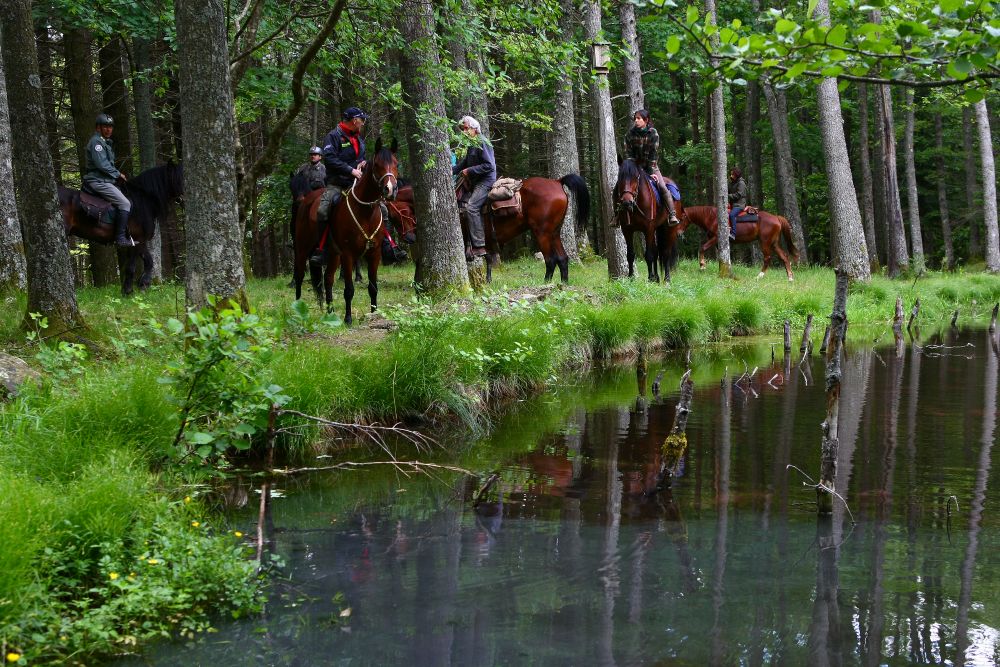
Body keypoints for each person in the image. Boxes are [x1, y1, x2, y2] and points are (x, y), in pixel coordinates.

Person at [313, 107, 368, 265]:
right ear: (354, 120)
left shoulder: (358, 138)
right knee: (323, 210)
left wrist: (363, 163)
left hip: (356, 184)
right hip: (337, 183)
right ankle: (321, 249)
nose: (363, 123)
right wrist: (350, 170)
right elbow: (329, 159)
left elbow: (361, 157)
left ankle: (386, 245)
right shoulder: (333, 136)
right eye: (361, 119)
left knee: (382, 207)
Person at [83, 113, 134, 246]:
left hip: (105, 180)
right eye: (105, 126)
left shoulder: (105, 142)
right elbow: (102, 164)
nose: (108, 129)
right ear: (98, 128)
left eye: (110, 126)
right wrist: (118, 174)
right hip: (98, 181)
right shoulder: (96, 142)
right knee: (125, 204)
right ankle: (120, 238)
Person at [623, 109, 679, 226]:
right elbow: (628, 154)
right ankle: (617, 216)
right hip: (634, 166)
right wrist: (632, 168)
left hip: (651, 165)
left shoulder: (653, 133)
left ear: (646, 120)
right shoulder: (629, 134)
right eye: (635, 119)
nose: (636, 121)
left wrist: (649, 172)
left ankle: (672, 214)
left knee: (662, 186)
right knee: (622, 185)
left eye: (639, 118)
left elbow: (653, 154)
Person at [452, 115, 496, 260]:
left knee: (471, 207)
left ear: (474, 128)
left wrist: (469, 171)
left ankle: (479, 245)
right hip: (476, 182)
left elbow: (489, 166)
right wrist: (450, 170)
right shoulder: (472, 143)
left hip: (485, 181)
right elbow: (464, 164)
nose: (463, 132)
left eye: (465, 128)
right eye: (462, 129)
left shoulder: (482, 142)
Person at [728, 167, 747, 241]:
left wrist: (728, 195)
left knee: (732, 215)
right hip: (733, 204)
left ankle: (733, 234)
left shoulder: (741, 183)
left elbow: (738, 195)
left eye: (733, 174)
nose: (731, 175)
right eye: (731, 174)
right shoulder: (733, 182)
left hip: (739, 205)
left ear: (736, 174)